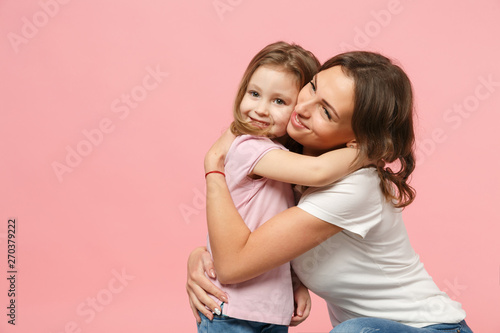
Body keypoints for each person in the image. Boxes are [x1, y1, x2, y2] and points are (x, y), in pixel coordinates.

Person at [187, 51, 473, 332]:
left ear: (356, 138)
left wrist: (214, 168)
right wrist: (200, 256)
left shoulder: (356, 185)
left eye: (325, 111)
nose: (302, 108)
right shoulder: (288, 168)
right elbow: (249, 232)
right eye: (311, 88)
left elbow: (234, 264)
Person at [195, 42, 368, 332]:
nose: (260, 110)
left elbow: (274, 233)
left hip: (270, 311)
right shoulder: (248, 147)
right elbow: (318, 171)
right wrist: (367, 150)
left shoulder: (280, 157)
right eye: (254, 94)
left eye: (279, 101)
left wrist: (294, 282)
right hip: (230, 307)